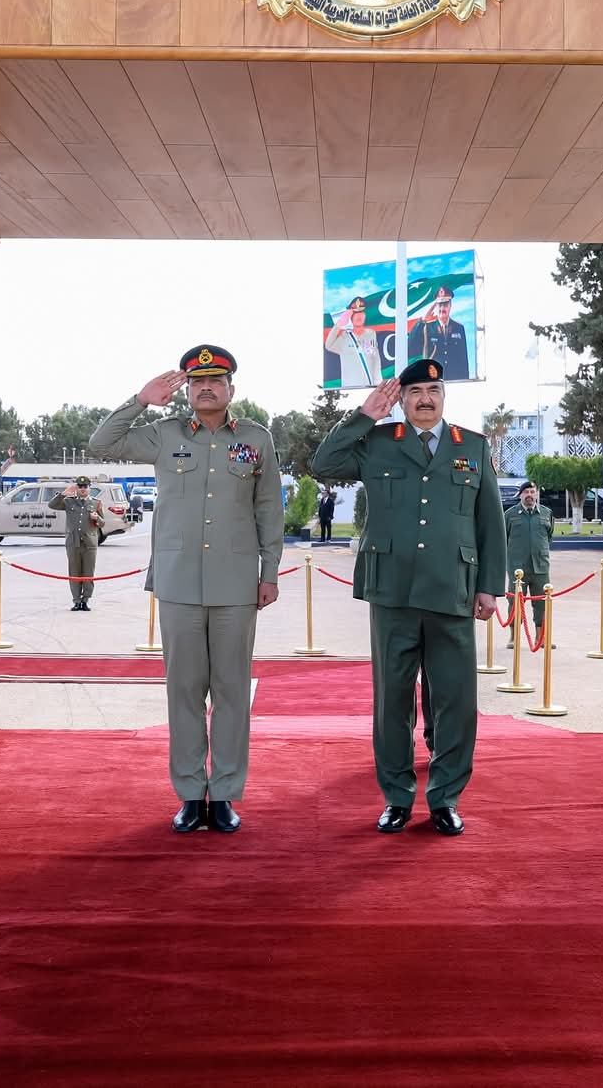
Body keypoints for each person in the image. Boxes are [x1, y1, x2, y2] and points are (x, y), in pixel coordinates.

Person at [90, 345, 283, 835]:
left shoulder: (255, 439)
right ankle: (191, 795)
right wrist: (141, 399)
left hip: (237, 584)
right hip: (178, 582)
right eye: (198, 382)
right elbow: (102, 442)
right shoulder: (164, 434)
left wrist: (270, 571)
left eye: (216, 381)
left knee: (232, 692)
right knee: (183, 691)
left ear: (231, 389)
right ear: (187, 390)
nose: (206, 388)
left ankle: (225, 794)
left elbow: (268, 509)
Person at [312, 358, 504, 836]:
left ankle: (445, 798)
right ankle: (397, 797)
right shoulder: (378, 442)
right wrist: (363, 416)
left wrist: (489, 586)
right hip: (392, 591)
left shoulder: (472, 446)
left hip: (452, 590)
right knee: (392, 703)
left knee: (456, 702)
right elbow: (323, 463)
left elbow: (489, 522)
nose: (424, 399)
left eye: (433, 392)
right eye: (414, 391)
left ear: (444, 398)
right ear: (400, 400)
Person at [504, 481, 555, 650]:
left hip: (540, 566)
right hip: (517, 568)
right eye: (526, 492)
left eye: (533, 492)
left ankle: (541, 638)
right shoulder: (510, 514)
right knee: (515, 601)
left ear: (537, 494)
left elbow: (549, 536)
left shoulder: (546, 513)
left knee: (541, 602)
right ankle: (514, 637)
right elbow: (504, 538)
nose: (530, 495)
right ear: (520, 495)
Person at [46, 477, 105, 612]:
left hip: (89, 543)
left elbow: (103, 523)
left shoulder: (96, 503)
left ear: (89, 488)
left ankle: (85, 600)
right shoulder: (69, 501)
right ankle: (76, 600)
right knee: (74, 572)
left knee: (88, 572)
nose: (83, 489)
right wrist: (63, 494)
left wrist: (97, 518)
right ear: (76, 488)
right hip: (73, 542)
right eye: (80, 486)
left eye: (85, 487)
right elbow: (51, 505)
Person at [406, 286, 470, 381]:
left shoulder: (459, 328)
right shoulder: (427, 327)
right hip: (434, 380)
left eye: (445, 305)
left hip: (455, 381)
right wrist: (422, 321)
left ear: (450, 306)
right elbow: (410, 346)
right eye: (439, 305)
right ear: (436, 307)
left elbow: (463, 360)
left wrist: (465, 381)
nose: (442, 308)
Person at [326, 295, 383, 388]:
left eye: (361, 313)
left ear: (365, 315)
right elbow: (328, 346)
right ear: (350, 317)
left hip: (370, 386)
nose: (359, 316)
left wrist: (378, 385)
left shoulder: (371, 334)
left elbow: (375, 360)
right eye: (355, 313)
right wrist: (338, 325)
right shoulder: (345, 337)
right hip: (350, 388)